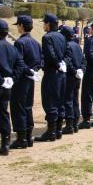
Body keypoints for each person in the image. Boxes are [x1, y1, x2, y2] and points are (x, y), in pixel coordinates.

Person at [35, 14, 71, 142]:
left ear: (49, 24)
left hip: (52, 73)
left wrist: (57, 64)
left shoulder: (47, 37)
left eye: (44, 23)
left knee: (50, 102)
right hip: (62, 73)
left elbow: (50, 54)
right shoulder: (62, 36)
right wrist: (63, 63)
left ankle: (51, 132)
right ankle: (58, 130)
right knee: (60, 101)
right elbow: (68, 52)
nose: (43, 25)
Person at [10, 15, 43, 149]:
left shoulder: (20, 43)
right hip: (31, 79)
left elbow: (19, 62)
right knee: (28, 107)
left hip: (22, 79)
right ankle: (28, 137)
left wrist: (28, 71)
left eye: (18, 25)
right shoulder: (36, 42)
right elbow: (41, 59)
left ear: (22, 26)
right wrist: (34, 71)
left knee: (19, 108)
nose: (17, 27)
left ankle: (21, 138)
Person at [0, 19, 24, 155]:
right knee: (3, 113)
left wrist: (0, 80)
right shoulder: (12, 47)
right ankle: (5, 143)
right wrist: (12, 79)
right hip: (7, 86)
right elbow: (20, 65)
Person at [60, 26, 85, 134]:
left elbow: (67, 60)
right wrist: (81, 70)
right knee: (75, 99)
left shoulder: (66, 45)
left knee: (68, 99)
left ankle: (69, 125)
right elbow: (84, 60)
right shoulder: (77, 46)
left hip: (70, 75)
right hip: (78, 76)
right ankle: (75, 123)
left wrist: (74, 71)